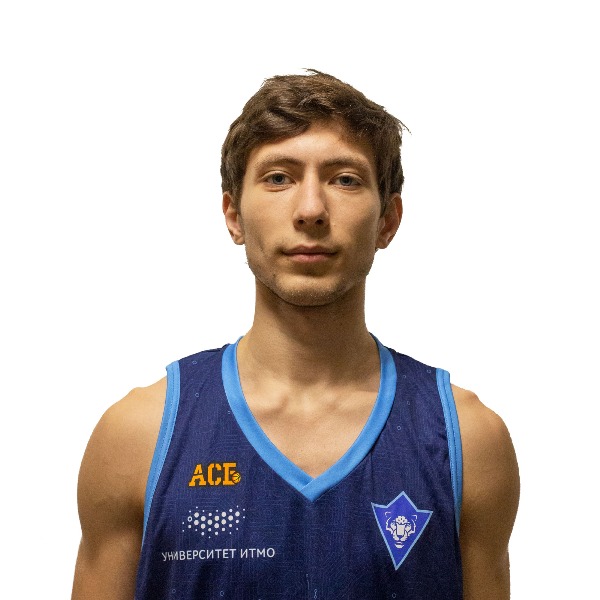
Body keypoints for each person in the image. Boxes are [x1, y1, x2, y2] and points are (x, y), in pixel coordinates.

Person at [72, 70, 519, 599]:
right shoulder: (138, 437)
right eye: (279, 177)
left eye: (345, 179)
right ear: (233, 215)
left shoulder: (468, 439)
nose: (310, 210)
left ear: (388, 220)